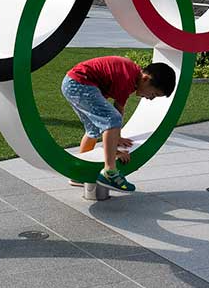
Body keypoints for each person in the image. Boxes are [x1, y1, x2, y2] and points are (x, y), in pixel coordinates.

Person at [61, 55, 175, 192]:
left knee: (93, 129)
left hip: (73, 83)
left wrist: (117, 137)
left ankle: (79, 173)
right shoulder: (127, 77)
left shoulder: (131, 75)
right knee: (112, 119)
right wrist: (115, 150)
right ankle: (110, 172)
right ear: (146, 79)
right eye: (154, 94)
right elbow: (117, 111)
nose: (150, 98)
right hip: (79, 84)